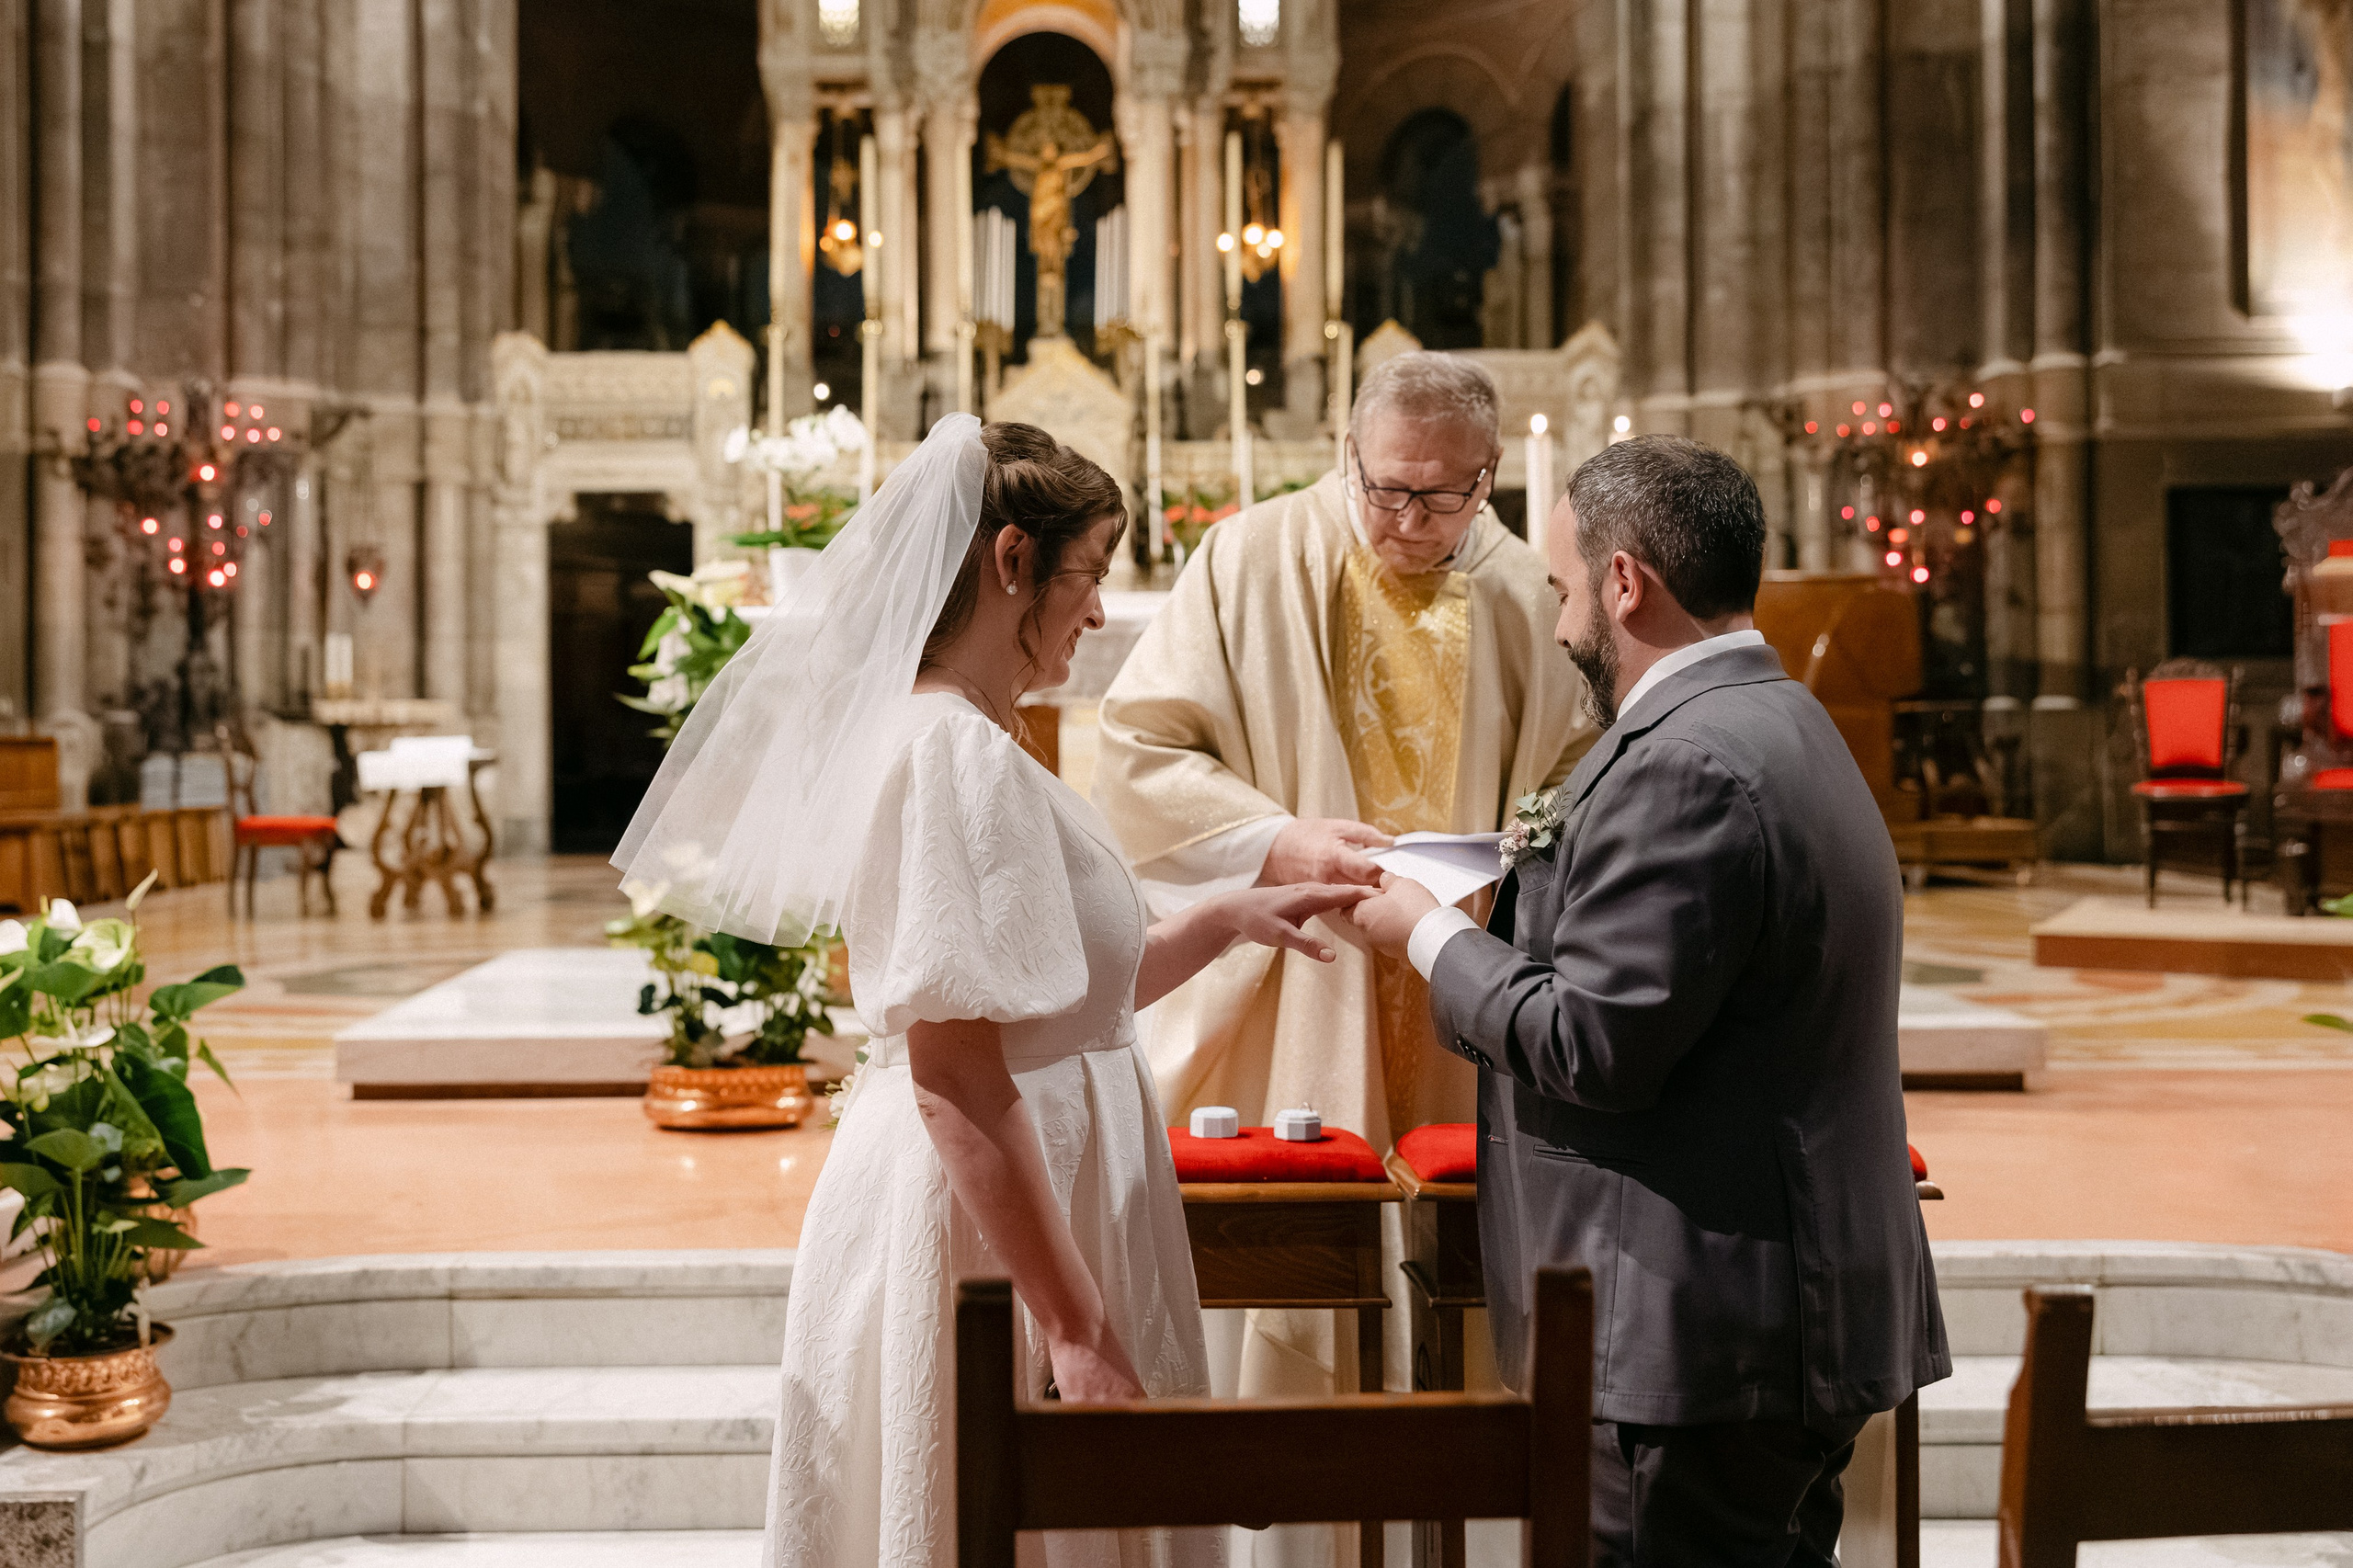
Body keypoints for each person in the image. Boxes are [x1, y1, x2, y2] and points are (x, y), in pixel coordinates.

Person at [615, 416, 1369, 1568]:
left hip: (1042, 1183)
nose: (1101, 610)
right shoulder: (949, 752)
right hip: (991, 1216)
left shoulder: (968, 739)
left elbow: (1056, 999)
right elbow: (959, 1073)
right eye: (1090, 574)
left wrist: (1223, 919)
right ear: (1012, 560)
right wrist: (1075, 1328)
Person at [1350, 436, 1950, 1568]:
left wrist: (1424, 933)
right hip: (1760, 1315)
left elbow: (1595, 1040)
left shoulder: (1687, 761)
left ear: (1627, 582)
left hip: (1701, 1336)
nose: (1565, 612)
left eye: (1570, 583)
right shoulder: (1780, 718)